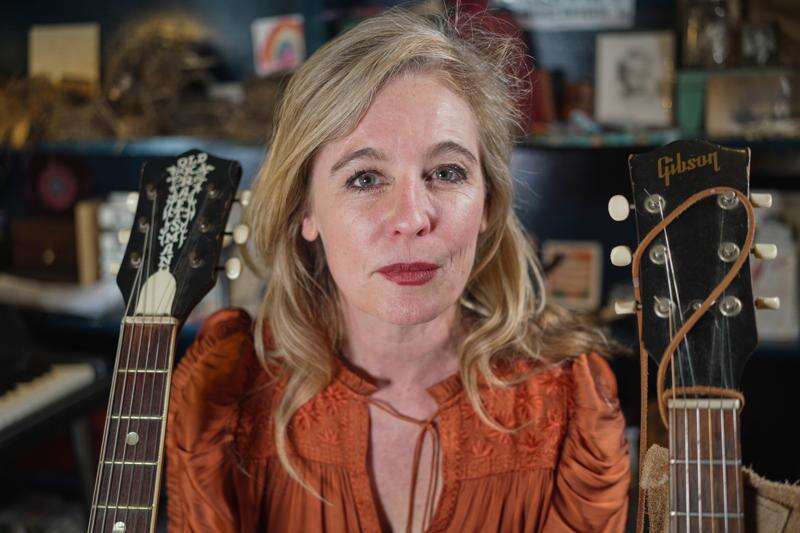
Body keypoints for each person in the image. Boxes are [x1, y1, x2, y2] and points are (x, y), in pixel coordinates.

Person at [165, 5, 630, 532]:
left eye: (447, 172)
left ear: (488, 204)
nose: (411, 218)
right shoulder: (225, 404)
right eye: (365, 178)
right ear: (306, 210)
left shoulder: (569, 406)